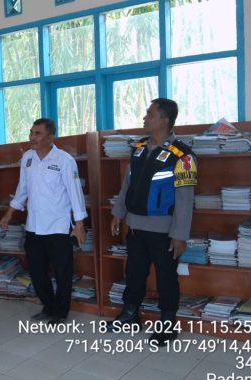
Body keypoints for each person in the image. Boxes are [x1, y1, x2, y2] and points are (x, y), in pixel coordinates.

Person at [108, 98, 197, 347]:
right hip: (136, 227)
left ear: (165, 120)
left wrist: (179, 235)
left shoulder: (183, 155)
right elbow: (128, 184)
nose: (145, 118)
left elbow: (185, 198)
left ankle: (167, 323)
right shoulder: (138, 148)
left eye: (150, 114)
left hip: (164, 231)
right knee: (134, 273)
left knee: (166, 278)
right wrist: (118, 212)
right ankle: (130, 313)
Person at [0, 118, 87, 324]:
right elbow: (23, 189)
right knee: (37, 272)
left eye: (37, 133)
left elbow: (75, 193)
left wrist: (80, 224)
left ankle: (60, 312)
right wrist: (9, 213)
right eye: (31, 132)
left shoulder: (64, 160)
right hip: (34, 226)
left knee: (63, 272)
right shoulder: (27, 158)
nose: (32, 137)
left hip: (58, 225)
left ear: (50, 137)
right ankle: (48, 306)